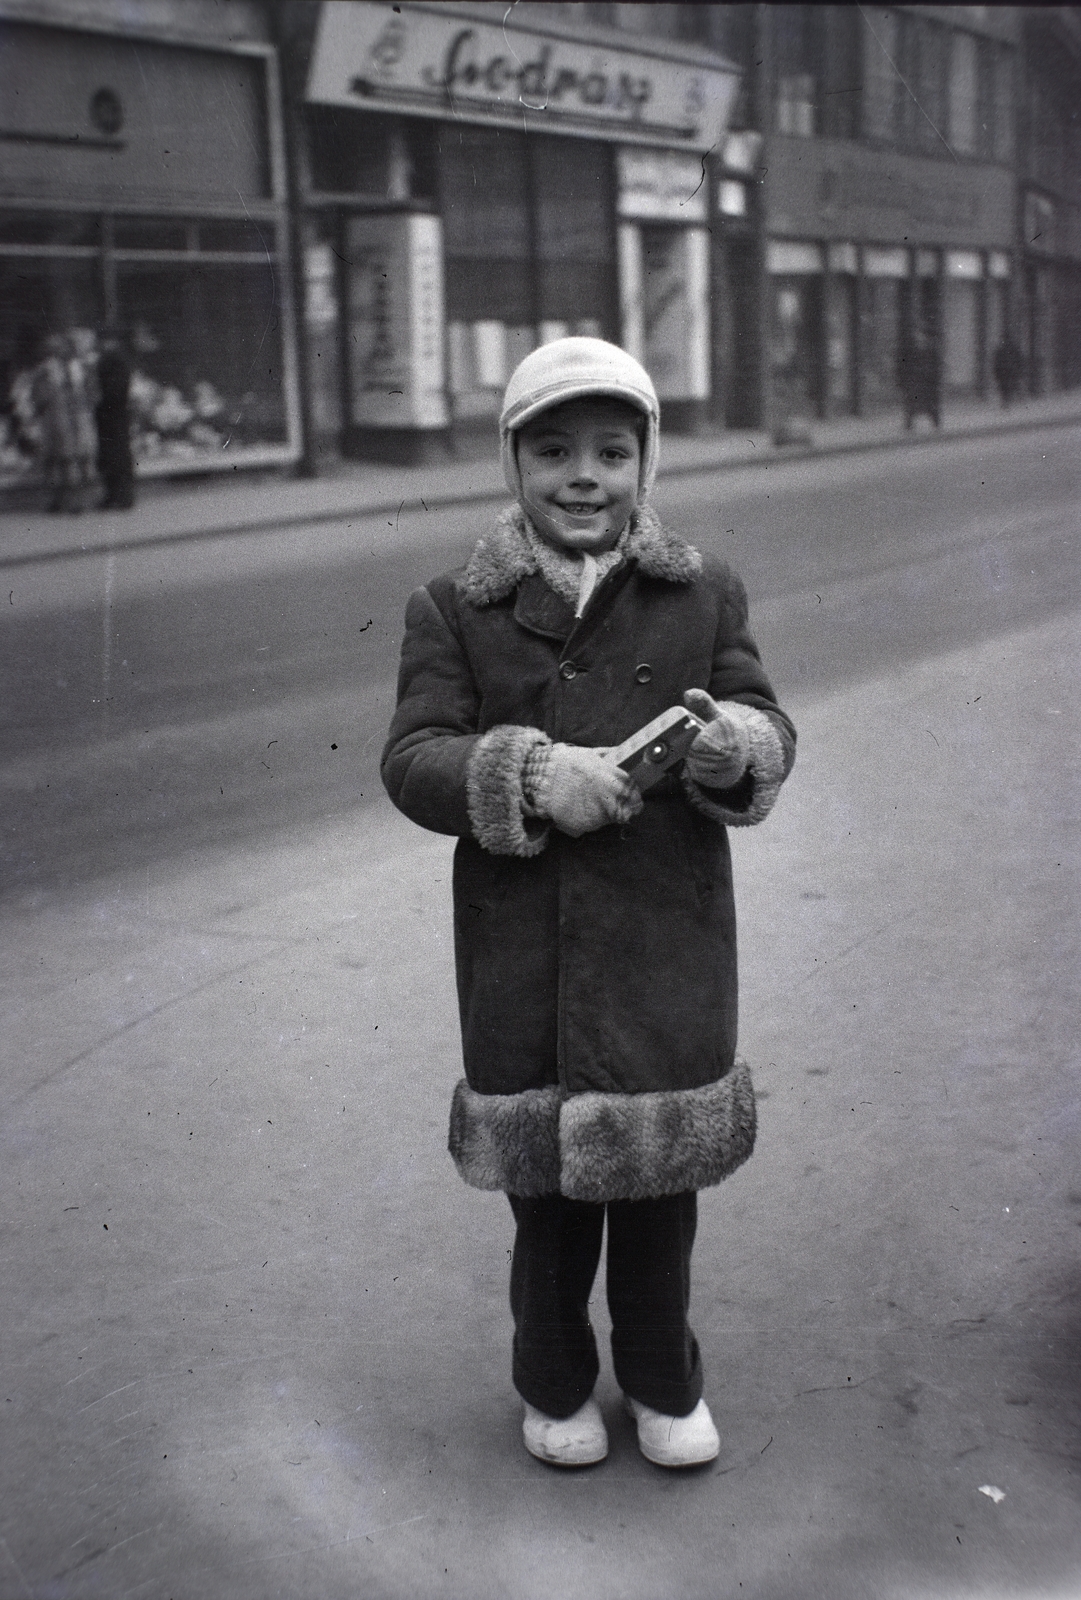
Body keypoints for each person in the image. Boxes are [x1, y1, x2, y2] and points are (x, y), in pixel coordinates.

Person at [381, 338, 796, 1469]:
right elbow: (413, 757)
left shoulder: (698, 590)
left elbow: (764, 719)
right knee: (549, 1208)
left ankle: (664, 1383)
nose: (584, 476)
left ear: (645, 463)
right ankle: (553, 1381)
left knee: (659, 1199)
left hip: (668, 944)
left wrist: (730, 752)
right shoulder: (452, 608)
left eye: (612, 452)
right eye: (554, 450)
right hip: (528, 955)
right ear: (512, 463)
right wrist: (527, 775)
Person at [31, 332, 98, 512]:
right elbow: (38, 398)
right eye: (56, 349)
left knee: (83, 461)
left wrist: (85, 405)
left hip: (80, 420)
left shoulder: (81, 369)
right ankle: (62, 502)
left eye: (63, 348)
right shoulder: (44, 372)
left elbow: (93, 393)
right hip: (56, 422)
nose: (61, 353)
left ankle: (83, 502)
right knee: (61, 462)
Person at [95, 327, 136, 509]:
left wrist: (100, 397)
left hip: (114, 415)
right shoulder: (112, 360)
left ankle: (122, 497)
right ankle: (114, 496)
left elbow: (116, 390)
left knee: (117, 457)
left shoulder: (115, 361)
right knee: (111, 458)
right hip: (111, 416)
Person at [898, 326, 940, 431]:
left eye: (921, 336)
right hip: (915, 381)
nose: (919, 338)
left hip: (927, 381)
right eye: (918, 336)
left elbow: (936, 365)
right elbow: (904, 365)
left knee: (930, 403)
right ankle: (909, 424)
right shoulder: (910, 350)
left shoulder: (931, 350)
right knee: (912, 403)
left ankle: (936, 423)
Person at [992, 333, 1024, 409]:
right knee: (1009, 386)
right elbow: (1019, 360)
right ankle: (1010, 401)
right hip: (1008, 371)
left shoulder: (1001, 349)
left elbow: (996, 361)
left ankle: (1007, 402)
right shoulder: (1013, 348)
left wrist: (996, 372)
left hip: (1005, 371)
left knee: (1005, 387)